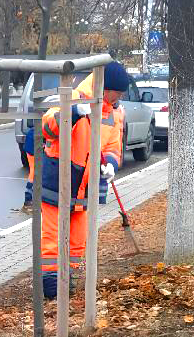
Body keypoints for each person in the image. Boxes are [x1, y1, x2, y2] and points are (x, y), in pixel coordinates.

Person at [38, 62, 128, 301]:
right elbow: (48, 127)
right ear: (105, 88)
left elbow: (113, 144)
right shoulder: (73, 96)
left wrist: (111, 163)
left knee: (78, 239)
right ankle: (50, 287)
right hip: (59, 178)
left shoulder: (116, 111)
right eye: (116, 92)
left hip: (86, 184)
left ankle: (67, 280)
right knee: (52, 236)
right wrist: (72, 113)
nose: (119, 97)